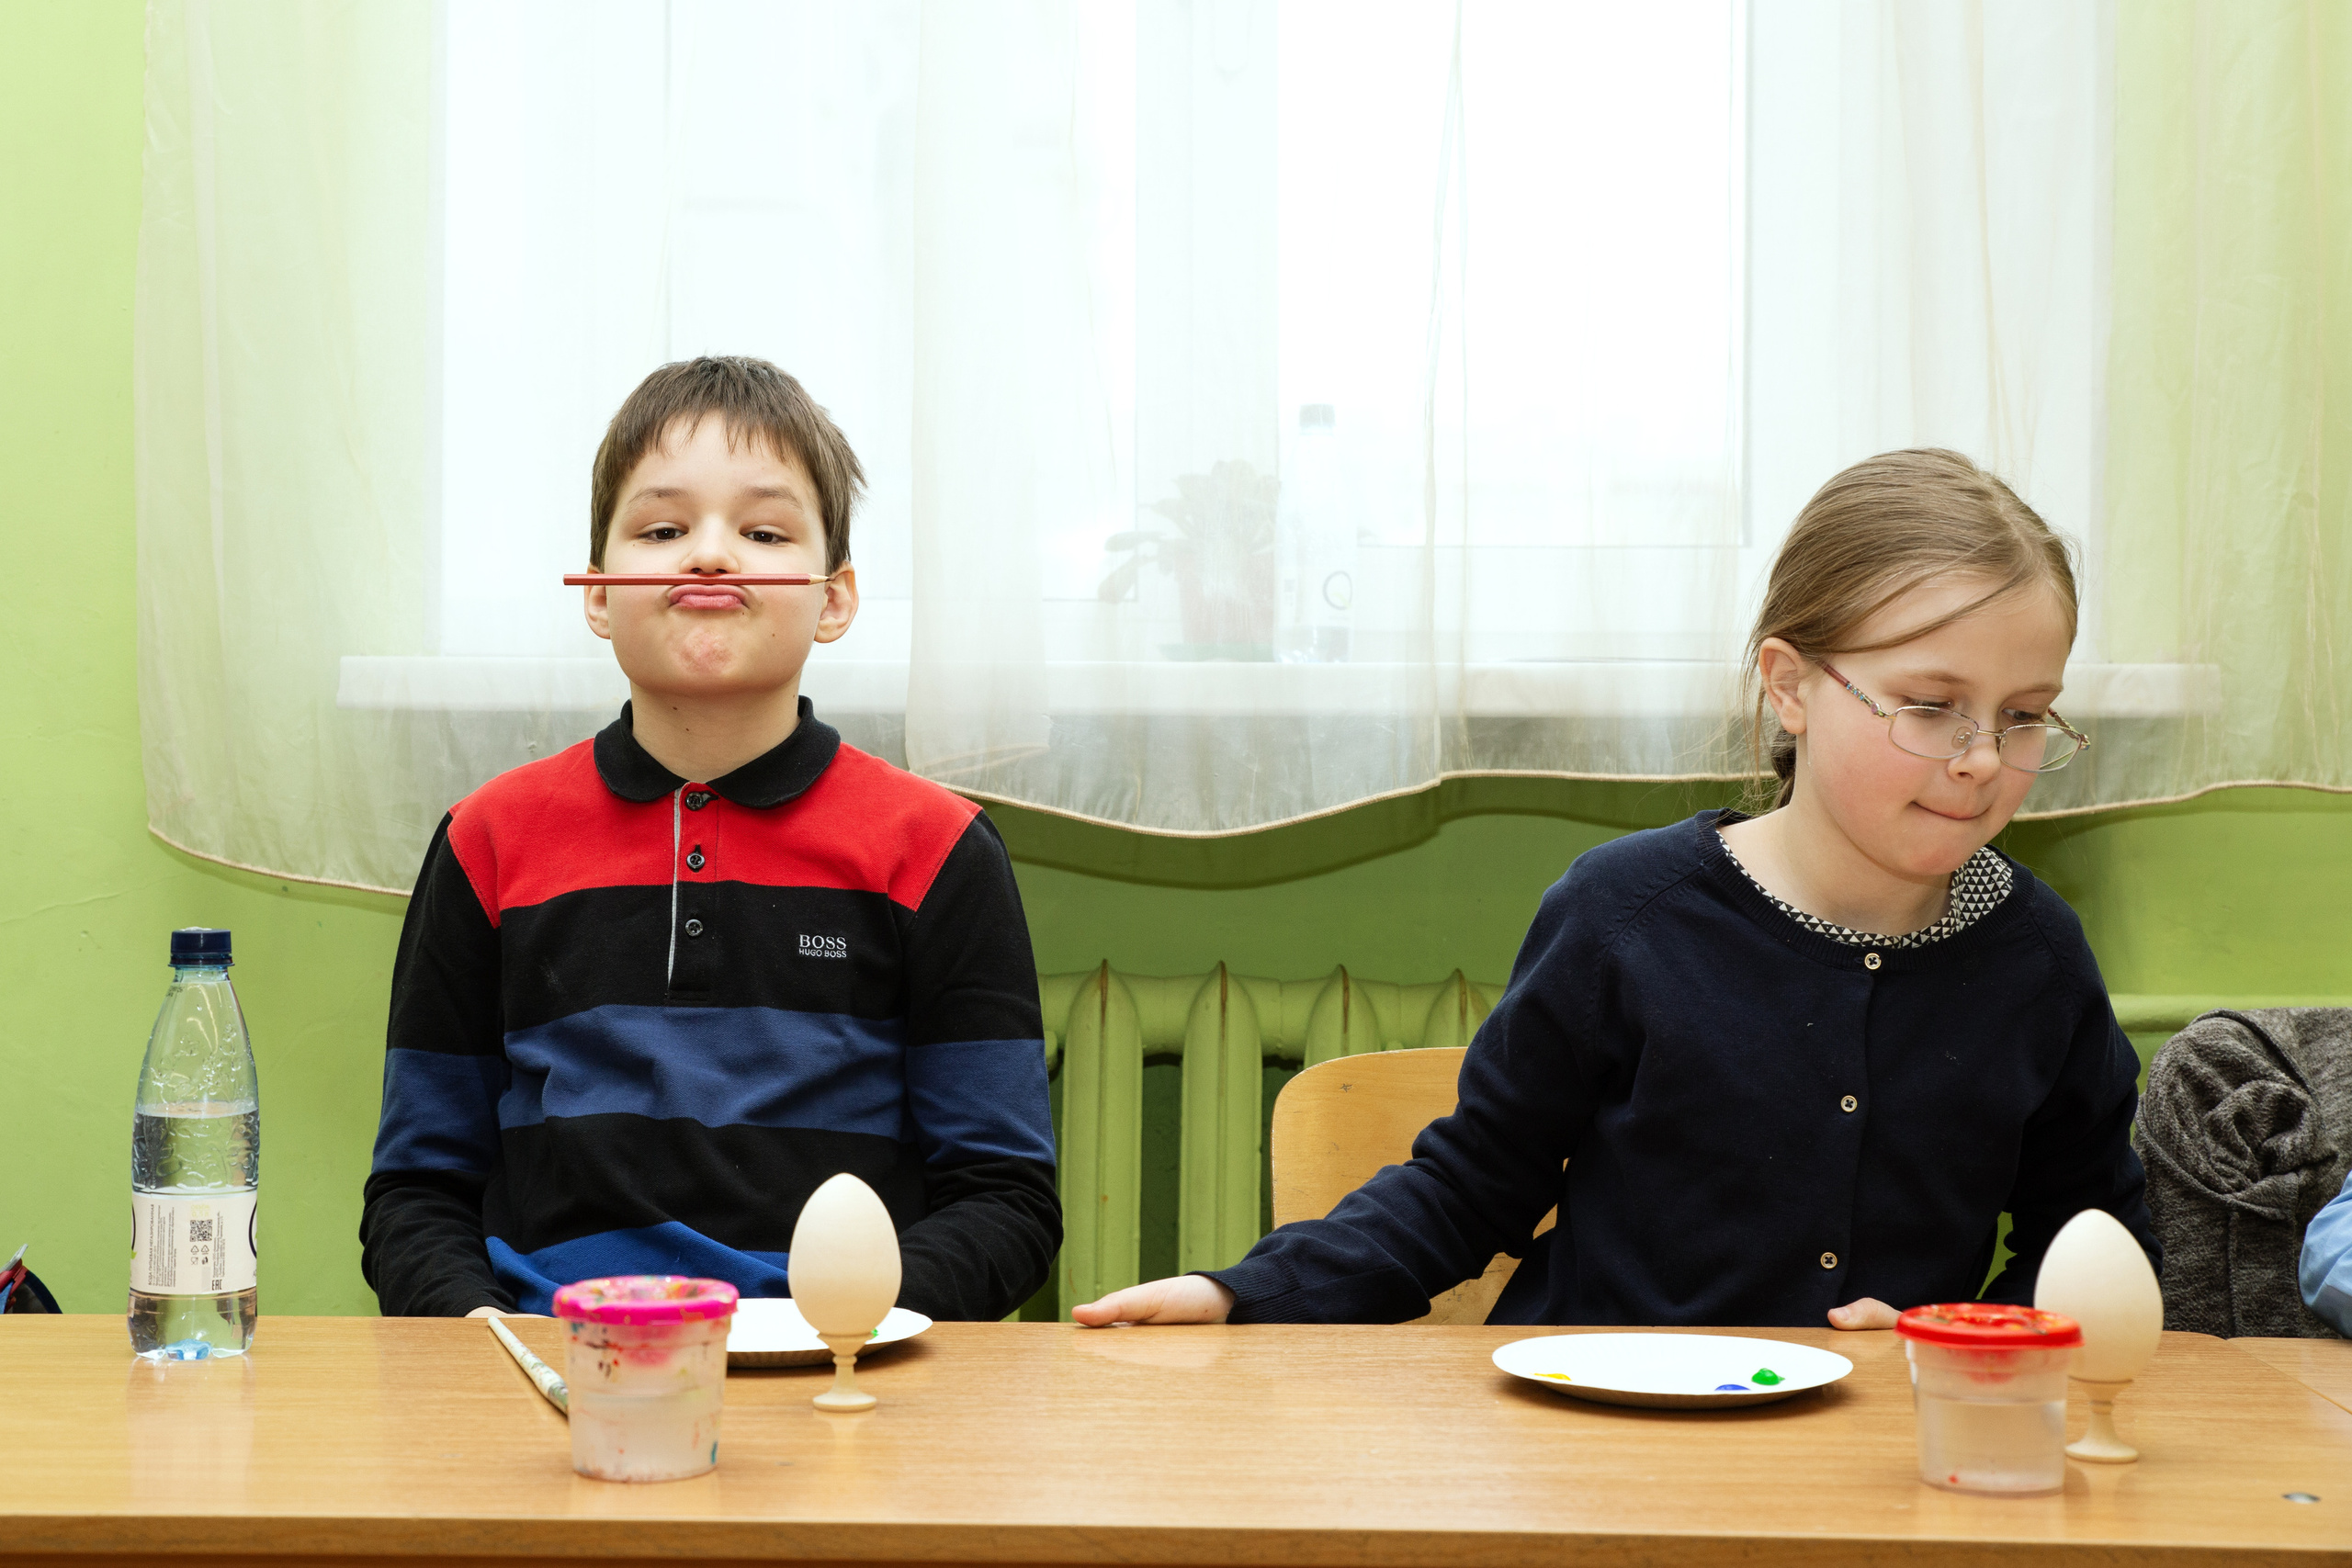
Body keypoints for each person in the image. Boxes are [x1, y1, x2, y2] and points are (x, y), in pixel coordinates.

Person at [1075, 448, 2157, 1331]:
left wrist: (1961, 1345)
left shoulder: (2037, 960)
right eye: (1928, 706)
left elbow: (2093, 1237)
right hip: (1592, 1448)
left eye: (2024, 716)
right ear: (1790, 686)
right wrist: (1240, 1293)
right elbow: (1468, 1189)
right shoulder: (1624, 917)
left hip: (1870, 1468)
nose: (1982, 759)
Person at [361, 356, 1058, 1320]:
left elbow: (1005, 1197)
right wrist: (484, 1336)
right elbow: (417, 1188)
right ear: (597, 592)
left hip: (838, 1366)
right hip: (556, 1362)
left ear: (834, 599)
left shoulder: (938, 849)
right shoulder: (488, 840)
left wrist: (838, 1326)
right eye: (662, 530)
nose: (710, 555)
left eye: (763, 532)